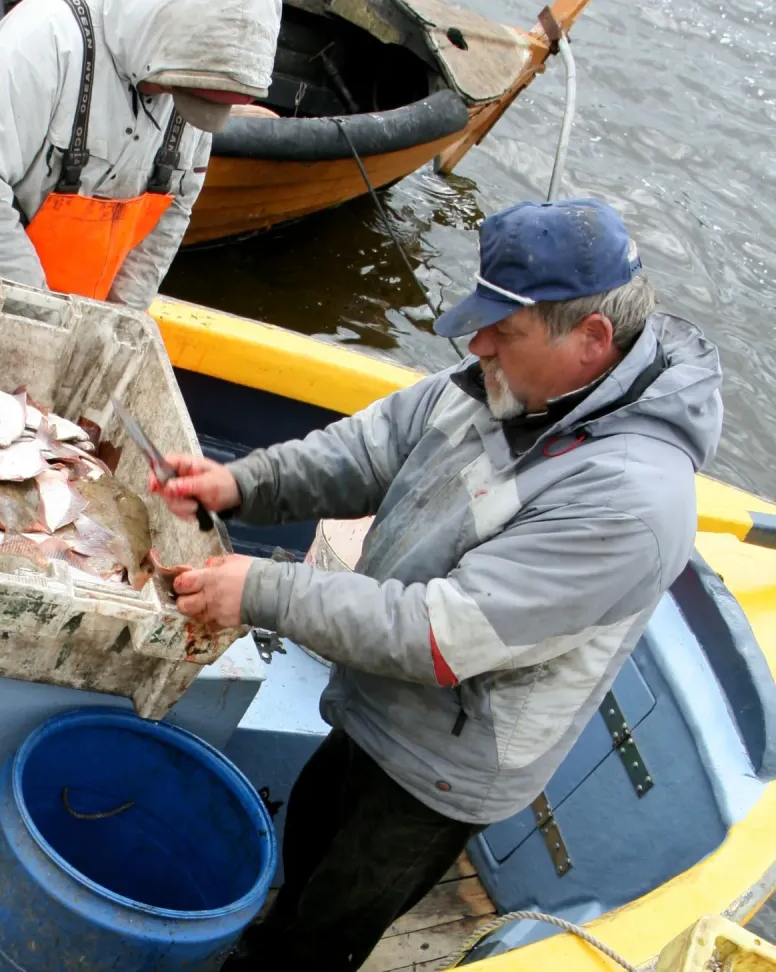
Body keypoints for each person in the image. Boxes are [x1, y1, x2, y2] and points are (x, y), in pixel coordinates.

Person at [149, 198, 724, 970]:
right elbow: (372, 448)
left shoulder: (630, 501)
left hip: (442, 770)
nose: (476, 345)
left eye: (503, 331)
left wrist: (260, 591)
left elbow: (439, 634)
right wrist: (243, 484)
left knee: (327, 928)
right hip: (374, 700)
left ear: (591, 340)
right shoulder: (507, 379)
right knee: (309, 839)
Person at [0, 0, 282, 309]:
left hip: (80, 324)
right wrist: (41, 316)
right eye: (185, 90)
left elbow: (174, 209)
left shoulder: (204, 83)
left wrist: (117, 318)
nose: (188, 108)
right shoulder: (46, 35)